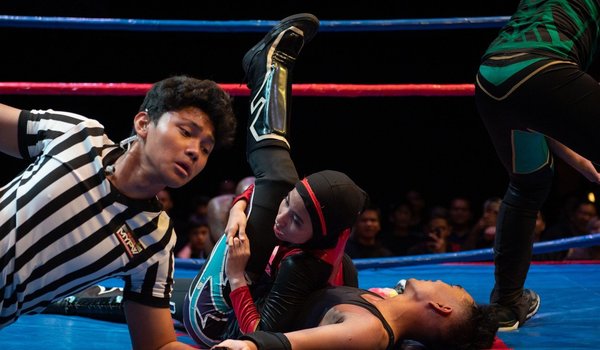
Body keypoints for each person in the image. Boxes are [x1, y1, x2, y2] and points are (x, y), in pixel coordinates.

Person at [0, 75, 237, 349]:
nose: (195, 151)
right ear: (143, 123)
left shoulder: (156, 241)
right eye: (186, 132)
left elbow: (158, 345)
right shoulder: (78, 135)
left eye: (206, 148)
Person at [182, 14, 368, 348]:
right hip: (246, 292)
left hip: (217, 323)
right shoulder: (328, 236)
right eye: (287, 207)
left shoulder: (302, 267)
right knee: (278, 182)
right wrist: (240, 208)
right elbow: (269, 196)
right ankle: (269, 67)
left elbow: (260, 334)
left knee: (279, 178)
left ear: (318, 236)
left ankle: (270, 68)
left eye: (296, 219)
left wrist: (237, 276)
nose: (281, 218)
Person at [474, 0, 600, 331]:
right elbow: (545, 88)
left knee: (528, 184)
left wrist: (581, 161)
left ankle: (505, 305)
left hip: (491, 76)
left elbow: (540, 107)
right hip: (542, 70)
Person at [213, 278, 498, 350]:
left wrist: (247, 345)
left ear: (442, 307)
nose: (441, 280)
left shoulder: (369, 330)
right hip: (255, 291)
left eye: (449, 286)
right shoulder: (383, 300)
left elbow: (287, 343)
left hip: (223, 316)